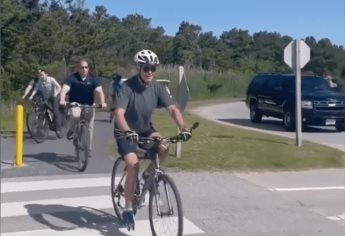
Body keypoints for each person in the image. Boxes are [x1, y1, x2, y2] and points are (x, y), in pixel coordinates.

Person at [113, 49, 192, 229]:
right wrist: (127, 131)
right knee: (133, 164)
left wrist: (183, 128)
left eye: (153, 69)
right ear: (139, 68)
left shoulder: (157, 87)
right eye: (147, 68)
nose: (150, 72)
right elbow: (119, 114)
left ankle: (149, 176)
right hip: (125, 131)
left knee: (164, 147)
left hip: (145, 130)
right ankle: (127, 209)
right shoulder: (127, 88)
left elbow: (172, 109)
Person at [59, 59, 107, 157]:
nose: (84, 69)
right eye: (82, 67)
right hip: (75, 103)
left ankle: (88, 149)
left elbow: (100, 92)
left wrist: (102, 103)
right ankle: (72, 130)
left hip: (88, 104)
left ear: (88, 68)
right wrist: (62, 100)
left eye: (86, 67)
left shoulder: (93, 79)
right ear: (78, 68)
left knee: (90, 127)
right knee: (75, 115)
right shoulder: (72, 78)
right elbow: (64, 90)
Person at [28, 69, 62, 136]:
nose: (41, 76)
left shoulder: (51, 80)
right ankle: (42, 127)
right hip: (45, 98)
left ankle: (58, 129)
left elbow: (59, 87)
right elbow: (35, 89)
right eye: (40, 75)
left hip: (53, 98)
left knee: (55, 113)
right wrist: (31, 96)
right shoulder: (40, 81)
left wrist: (56, 94)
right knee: (41, 111)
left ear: (46, 74)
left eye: (42, 75)